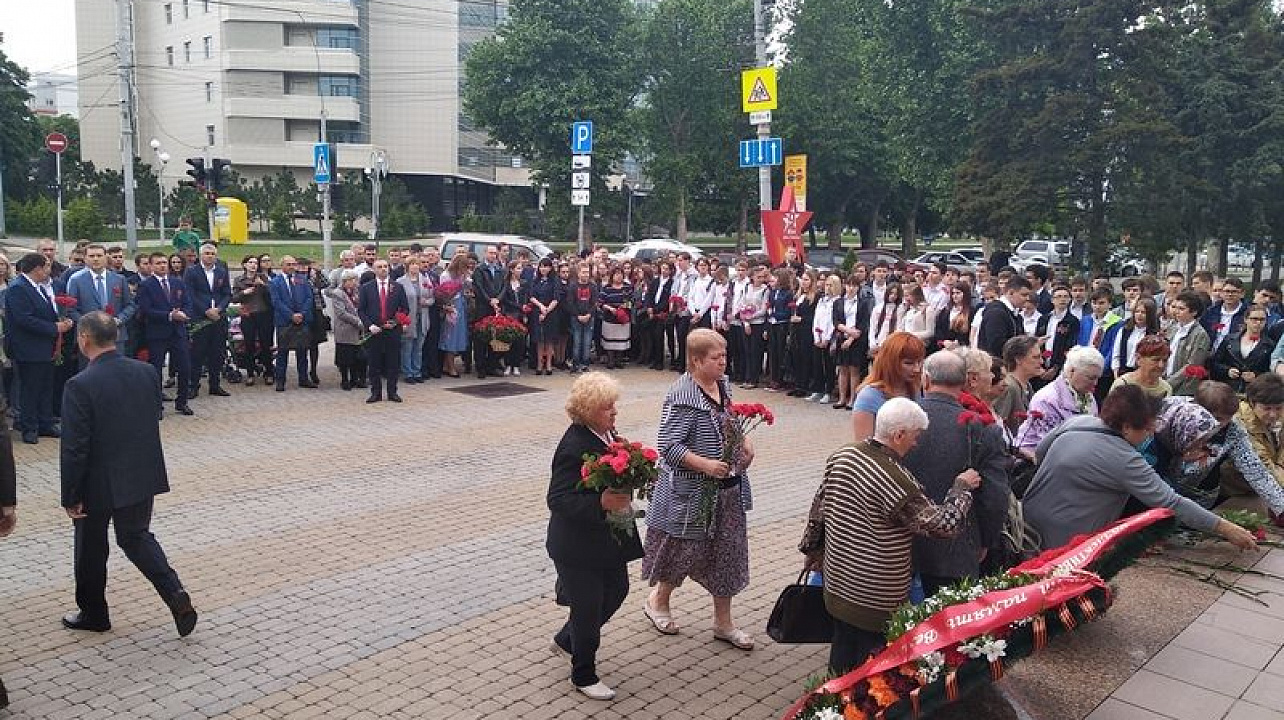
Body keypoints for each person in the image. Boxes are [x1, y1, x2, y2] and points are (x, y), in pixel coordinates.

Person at [799, 397, 981, 674]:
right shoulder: (893, 479)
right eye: (916, 436)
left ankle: (830, 704)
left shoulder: (844, 454)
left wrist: (812, 550)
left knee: (841, 654)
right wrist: (961, 489)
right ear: (898, 435)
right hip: (872, 597)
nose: (917, 443)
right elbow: (944, 525)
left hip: (836, 584)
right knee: (867, 671)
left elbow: (819, 509)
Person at [59, 311, 199, 637]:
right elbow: (153, 415)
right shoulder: (146, 371)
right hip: (140, 470)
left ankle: (94, 613)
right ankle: (174, 592)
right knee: (137, 537)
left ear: (84, 339)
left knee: (91, 547)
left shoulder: (79, 384)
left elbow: (75, 447)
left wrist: (71, 495)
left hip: (97, 479)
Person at [1022, 384, 1259, 551]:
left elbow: (1041, 453)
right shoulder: (1125, 458)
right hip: (1064, 542)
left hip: (1028, 519)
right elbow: (1172, 502)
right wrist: (1225, 528)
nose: (1151, 433)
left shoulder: (1079, 422)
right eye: (1145, 428)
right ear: (1126, 428)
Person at [642, 329, 756, 650]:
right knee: (681, 552)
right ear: (696, 360)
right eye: (716, 358)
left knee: (728, 554)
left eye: (724, 356)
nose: (723, 362)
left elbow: (730, 419)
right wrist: (705, 465)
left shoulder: (723, 384)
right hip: (691, 494)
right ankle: (658, 601)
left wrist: (745, 441)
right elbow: (668, 446)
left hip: (729, 488)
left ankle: (724, 623)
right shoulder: (682, 396)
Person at [545, 372, 642, 701]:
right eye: (606, 408)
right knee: (588, 607)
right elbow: (557, 499)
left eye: (614, 406)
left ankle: (567, 639)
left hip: (603, 539)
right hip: (575, 545)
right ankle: (583, 673)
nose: (614, 412)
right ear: (587, 411)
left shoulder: (605, 435)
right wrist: (599, 502)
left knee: (618, 589)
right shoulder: (574, 445)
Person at [902, 352, 1009, 596]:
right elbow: (995, 496)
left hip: (901, 542)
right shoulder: (982, 428)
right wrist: (986, 540)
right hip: (956, 546)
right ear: (964, 382)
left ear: (926, 380)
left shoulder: (900, 417)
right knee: (946, 622)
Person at [136, 251, 194, 416]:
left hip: (178, 332)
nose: (162, 265)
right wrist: (169, 315)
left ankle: (182, 402)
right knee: (156, 370)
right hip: (157, 333)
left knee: (184, 367)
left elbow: (187, 302)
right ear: (152, 266)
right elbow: (145, 309)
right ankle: (157, 406)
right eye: (158, 263)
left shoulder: (177, 283)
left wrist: (184, 314)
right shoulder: (146, 285)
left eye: (164, 262)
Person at [1015, 345, 1104, 454]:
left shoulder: (1088, 397)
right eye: (1091, 378)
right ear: (1072, 371)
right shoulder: (1047, 399)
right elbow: (1048, 445)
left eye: (1097, 378)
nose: (1095, 383)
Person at [1220, 374, 1284, 515]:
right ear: (1252, 403)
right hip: (1239, 485)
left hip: (1273, 475)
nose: (1273, 414)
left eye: (1278, 408)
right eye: (1267, 409)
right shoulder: (1241, 424)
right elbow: (1263, 465)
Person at [851, 332, 927, 442]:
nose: (917, 369)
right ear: (890, 362)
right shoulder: (869, 397)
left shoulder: (916, 389)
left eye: (920, 362)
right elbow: (864, 448)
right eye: (909, 363)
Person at [64, 244, 135, 354]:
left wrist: (119, 319)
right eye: (92, 256)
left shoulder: (119, 279)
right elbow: (71, 309)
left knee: (116, 369)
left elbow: (130, 305)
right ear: (85, 258)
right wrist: (89, 324)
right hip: (89, 336)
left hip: (115, 336)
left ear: (106, 257)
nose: (96, 259)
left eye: (99, 255)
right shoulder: (76, 280)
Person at [183, 243, 232, 398]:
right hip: (200, 318)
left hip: (218, 317)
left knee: (217, 353)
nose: (210, 256)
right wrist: (206, 310)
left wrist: (218, 309)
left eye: (212, 254)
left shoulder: (221, 272)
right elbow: (190, 295)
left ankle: (215, 385)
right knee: (197, 353)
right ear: (200, 255)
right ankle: (194, 386)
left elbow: (227, 294)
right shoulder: (191, 272)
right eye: (207, 253)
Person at [358, 259, 410, 403]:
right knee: (374, 363)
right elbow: (361, 310)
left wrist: (394, 322)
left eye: (385, 266)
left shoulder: (397, 287)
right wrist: (369, 325)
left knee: (393, 362)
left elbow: (405, 309)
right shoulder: (366, 288)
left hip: (392, 331)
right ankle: (376, 393)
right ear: (374, 270)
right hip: (375, 331)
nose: (383, 269)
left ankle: (392, 392)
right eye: (379, 267)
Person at [268, 256, 315, 392]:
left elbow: (308, 298)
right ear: (281, 265)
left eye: (294, 264)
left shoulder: (302, 280)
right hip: (284, 321)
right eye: (288, 264)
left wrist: (302, 314)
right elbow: (276, 302)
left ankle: (304, 379)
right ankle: (280, 381)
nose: (291, 267)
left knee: (302, 351)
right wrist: (291, 315)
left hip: (302, 320)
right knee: (282, 352)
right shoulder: (275, 282)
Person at [1211, 304, 1272, 393]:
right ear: (1246, 319)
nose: (1258, 322)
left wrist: (1256, 376)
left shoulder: (1269, 345)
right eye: (1254, 319)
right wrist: (1227, 371)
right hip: (1228, 388)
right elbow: (1215, 363)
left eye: (1262, 320)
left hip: (1254, 391)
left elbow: (1270, 372)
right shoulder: (1229, 339)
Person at [233, 255, 273, 386]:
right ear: (244, 265)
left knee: (265, 344)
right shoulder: (239, 280)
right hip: (248, 315)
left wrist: (264, 285)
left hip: (263, 314)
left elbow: (274, 292)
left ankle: (269, 372)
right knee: (248, 344)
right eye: (250, 262)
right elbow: (233, 298)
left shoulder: (263, 277)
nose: (253, 265)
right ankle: (250, 373)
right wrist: (244, 292)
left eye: (255, 263)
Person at [831, 273, 870, 409]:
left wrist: (852, 337)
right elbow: (835, 321)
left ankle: (852, 399)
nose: (851, 288)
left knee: (854, 370)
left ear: (858, 288)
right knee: (842, 369)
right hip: (843, 336)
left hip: (857, 339)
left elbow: (863, 323)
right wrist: (847, 331)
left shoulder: (863, 303)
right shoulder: (838, 302)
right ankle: (842, 398)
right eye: (848, 285)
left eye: (854, 286)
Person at [993, 335, 1044, 433]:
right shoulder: (1008, 387)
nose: (1041, 361)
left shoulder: (1027, 386)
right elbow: (999, 426)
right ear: (1018, 359)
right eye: (1035, 357)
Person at [1166, 291, 1211, 396]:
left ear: (1194, 312)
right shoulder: (1172, 328)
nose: (1176, 311)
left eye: (1181, 309)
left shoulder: (1200, 335)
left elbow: (1193, 365)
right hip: (1165, 380)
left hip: (1184, 389)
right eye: (1176, 308)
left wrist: (1170, 382)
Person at [325, 270, 364, 391]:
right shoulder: (338, 293)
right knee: (345, 357)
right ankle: (344, 380)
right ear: (345, 281)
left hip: (357, 330)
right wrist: (357, 321)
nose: (354, 283)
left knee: (356, 356)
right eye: (352, 280)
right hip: (345, 329)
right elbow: (341, 313)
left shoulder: (357, 292)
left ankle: (354, 378)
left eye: (355, 280)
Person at [395, 257, 432, 384]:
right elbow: (396, 302)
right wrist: (401, 320)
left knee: (419, 347)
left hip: (423, 317)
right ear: (407, 266)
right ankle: (408, 373)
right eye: (412, 264)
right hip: (408, 318)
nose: (415, 266)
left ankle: (417, 371)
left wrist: (426, 302)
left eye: (417, 264)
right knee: (407, 346)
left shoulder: (425, 280)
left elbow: (432, 298)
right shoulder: (400, 281)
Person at [977, 277, 1032, 357]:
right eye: (1024, 295)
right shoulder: (996, 313)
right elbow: (996, 346)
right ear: (1011, 292)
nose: (1027, 299)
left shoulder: (1016, 315)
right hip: (994, 365)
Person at [529, 258, 564, 375]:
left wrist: (547, 310)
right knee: (539, 340)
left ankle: (549, 364)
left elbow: (556, 299)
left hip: (551, 313)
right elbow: (531, 296)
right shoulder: (535, 280)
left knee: (549, 340)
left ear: (550, 268)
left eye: (546, 266)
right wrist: (540, 307)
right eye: (541, 266)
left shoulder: (555, 281)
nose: (543, 269)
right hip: (537, 312)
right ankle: (539, 364)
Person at [438, 254, 471, 378]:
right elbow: (443, 293)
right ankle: (450, 367)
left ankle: (448, 365)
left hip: (460, 305)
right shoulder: (446, 276)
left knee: (457, 337)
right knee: (450, 338)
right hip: (451, 307)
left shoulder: (461, 276)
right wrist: (448, 305)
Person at [565, 263, 599, 373]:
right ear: (578, 273)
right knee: (577, 341)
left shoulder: (593, 286)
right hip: (576, 317)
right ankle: (576, 364)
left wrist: (589, 314)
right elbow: (570, 303)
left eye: (587, 272)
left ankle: (585, 363)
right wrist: (578, 315)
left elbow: (594, 302)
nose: (585, 275)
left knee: (587, 341)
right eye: (583, 272)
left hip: (589, 317)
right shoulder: (573, 286)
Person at [598, 268, 632, 370]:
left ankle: (619, 360)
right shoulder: (606, 288)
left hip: (623, 318)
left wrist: (624, 306)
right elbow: (600, 303)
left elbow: (632, 301)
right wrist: (609, 308)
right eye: (616, 274)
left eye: (620, 274)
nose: (619, 276)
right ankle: (611, 360)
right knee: (610, 341)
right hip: (610, 318)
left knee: (621, 340)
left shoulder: (627, 287)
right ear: (612, 276)